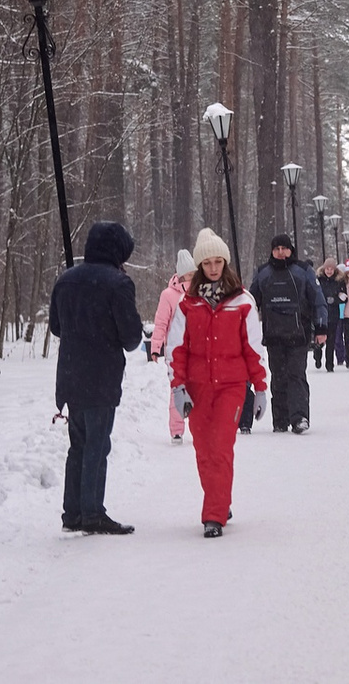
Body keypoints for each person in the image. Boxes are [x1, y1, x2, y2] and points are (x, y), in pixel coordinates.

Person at [167, 229, 269, 538]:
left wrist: (261, 387)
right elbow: (177, 348)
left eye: (218, 262)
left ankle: (213, 514)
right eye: (207, 263)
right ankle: (219, 500)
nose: (213, 268)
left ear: (225, 263)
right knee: (203, 449)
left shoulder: (242, 301)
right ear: (199, 267)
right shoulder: (188, 304)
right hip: (198, 386)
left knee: (221, 446)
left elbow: (253, 346)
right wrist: (177, 386)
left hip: (231, 386)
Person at [50, 221, 144, 535]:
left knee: (78, 445)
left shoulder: (66, 280)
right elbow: (131, 338)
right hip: (101, 376)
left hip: (71, 375)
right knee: (97, 445)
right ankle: (92, 513)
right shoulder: (118, 283)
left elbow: (56, 327)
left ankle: (72, 513)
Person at [249, 233, 327, 434]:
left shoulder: (303, 271)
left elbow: (318, 300)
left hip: (298, 335)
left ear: (291, 250)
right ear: (272, 251)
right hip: (274, 336)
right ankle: (280, 420)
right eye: (276, 249)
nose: (280, 252)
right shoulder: (263, 273)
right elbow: (249, 304)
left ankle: (299, 417)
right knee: (278, 377)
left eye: (284, 248)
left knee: (296, 375)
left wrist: (321, 328)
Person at [150, 249, 195, 444]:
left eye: (194, 273)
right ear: (181, 274)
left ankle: (199, 427)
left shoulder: (201, 292)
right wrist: (155, 346)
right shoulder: (168, 295)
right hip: (175, 351)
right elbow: (161, 322)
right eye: (189, 274)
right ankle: (177, 430)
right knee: (177, 388)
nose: (192, 278)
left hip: (198, 350)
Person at [315, 258, 346, 372]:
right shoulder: (318, 280)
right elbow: (314, 294)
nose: (329, 271)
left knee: (331, 340)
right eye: (327, 268)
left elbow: (344, 297)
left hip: (333, 314)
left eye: (331, 269)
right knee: (319, 339)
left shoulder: (339, 281)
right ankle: (317, 356)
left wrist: (335, 299)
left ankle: (329, 364)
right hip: (320, 314)